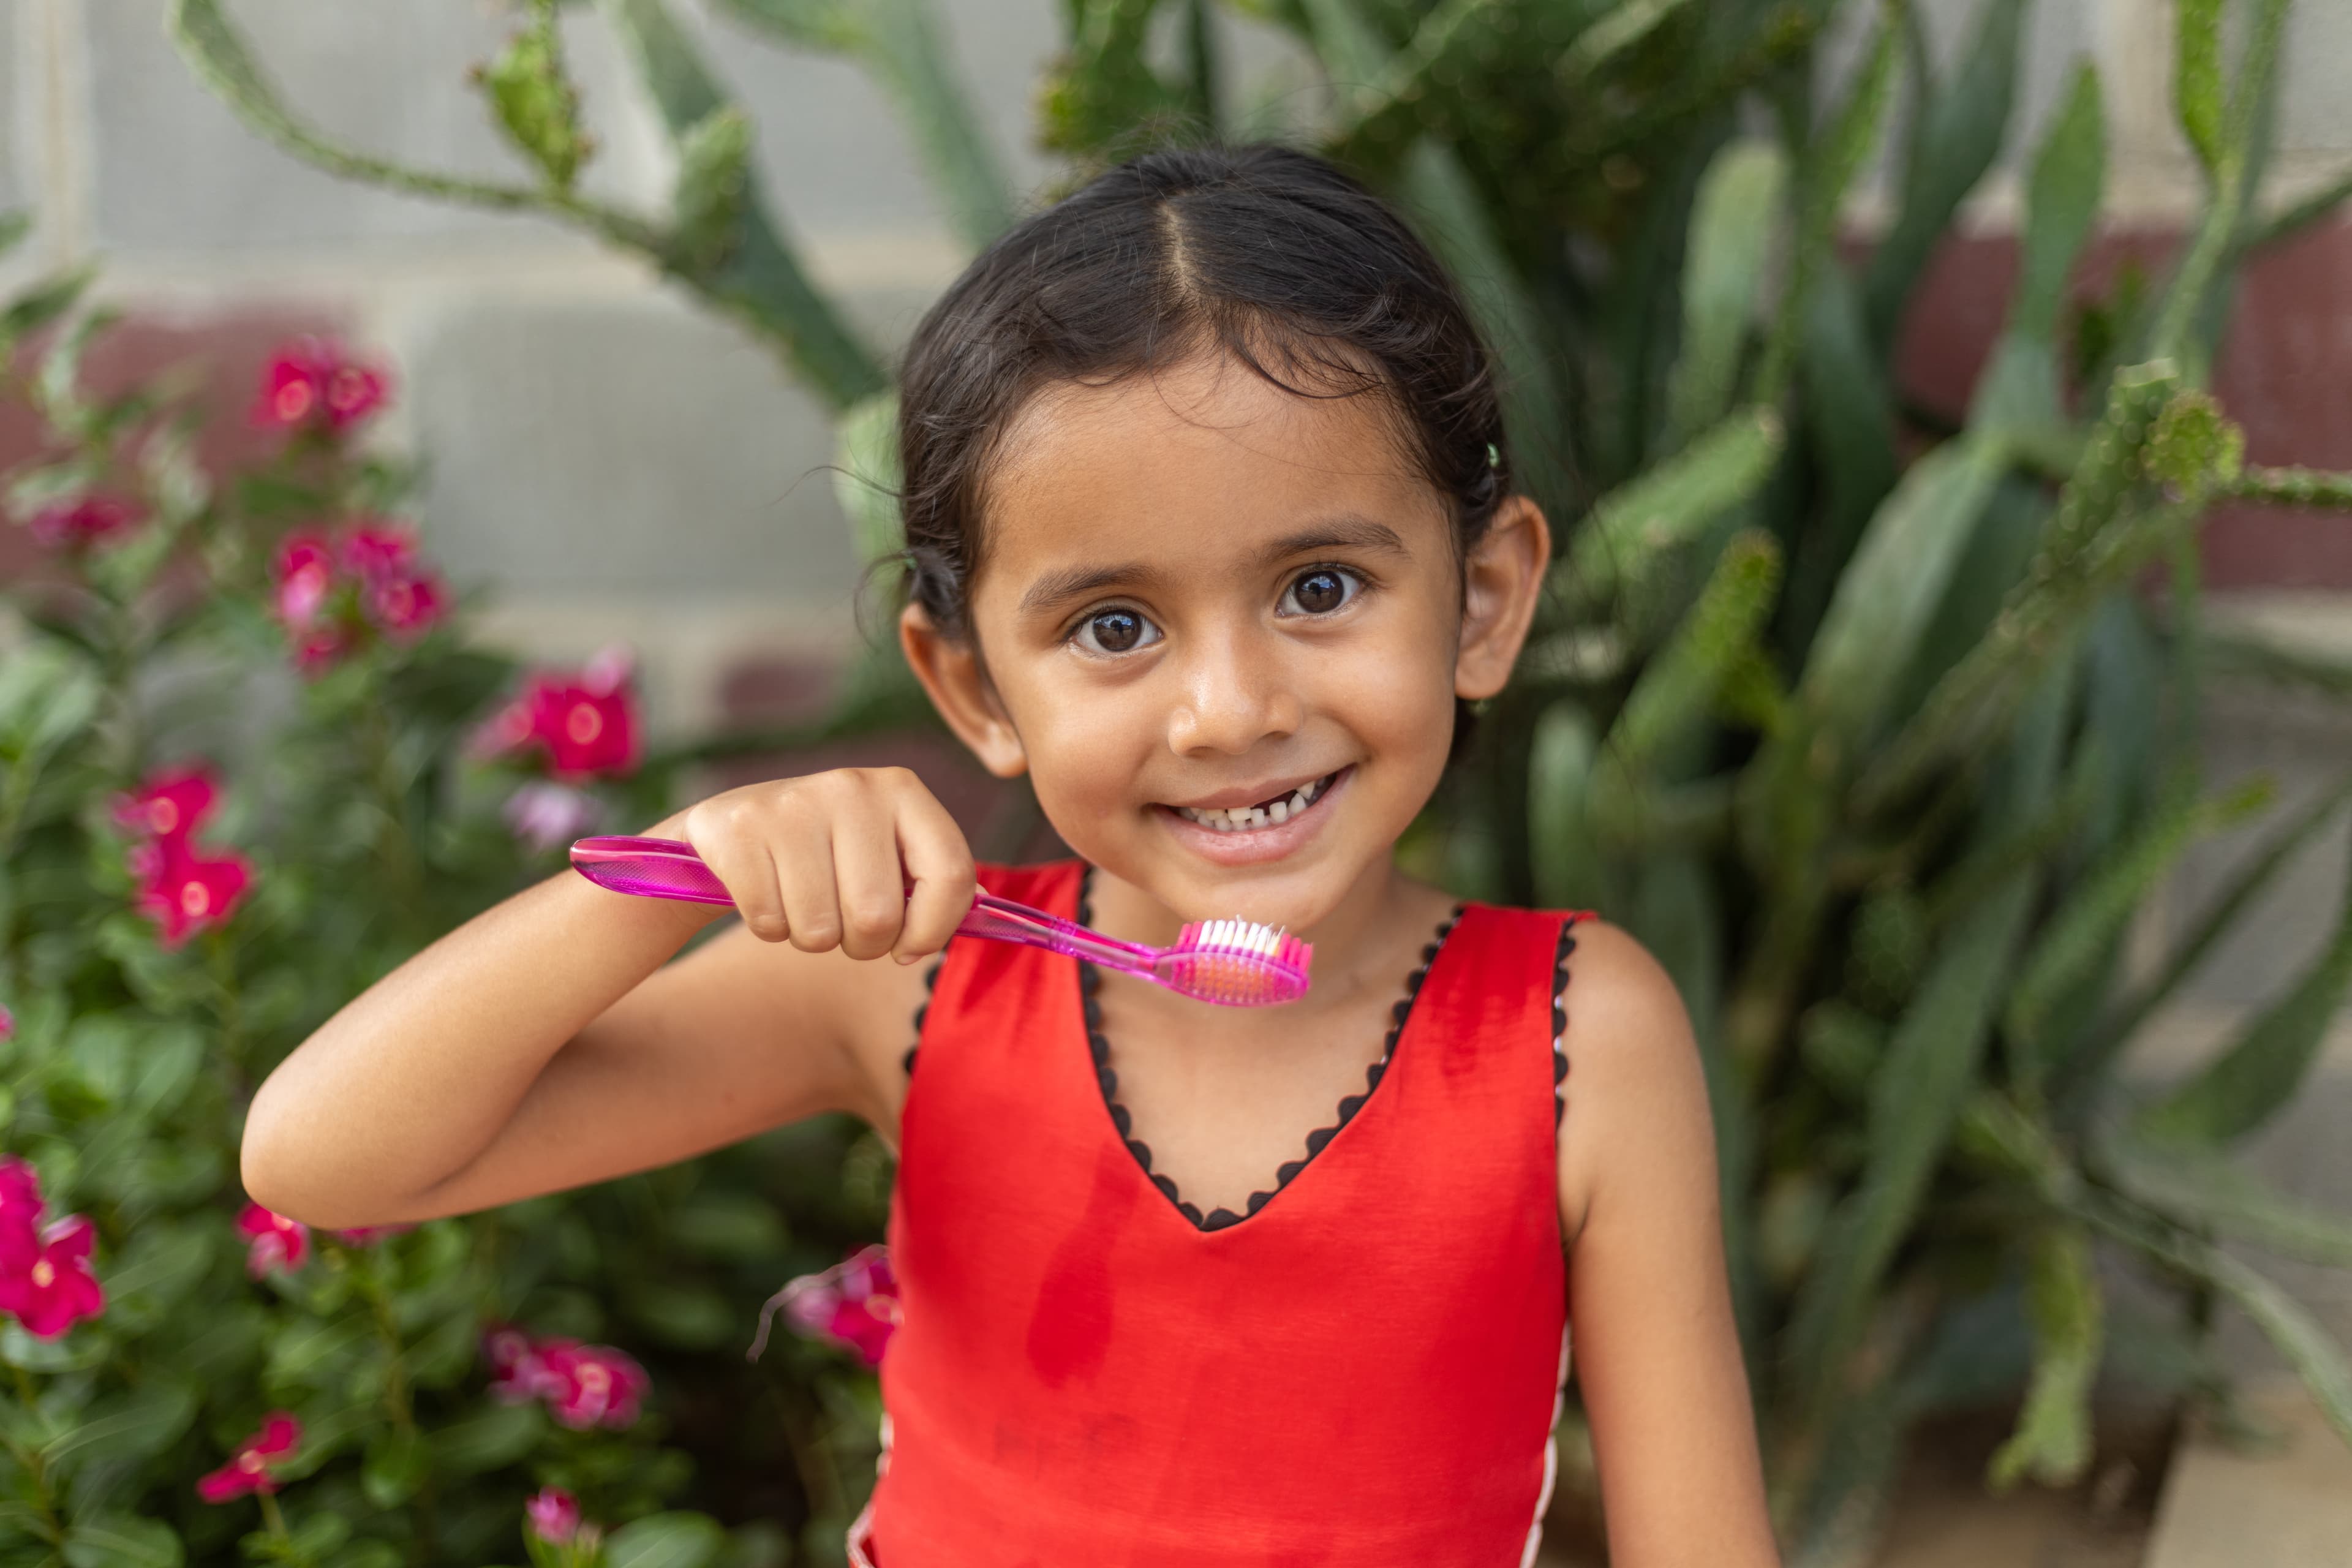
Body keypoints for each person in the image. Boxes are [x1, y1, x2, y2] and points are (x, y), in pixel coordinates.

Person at [241, 143, 1777, 1568]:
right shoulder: (913, 986)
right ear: (973, 685)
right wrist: (676, 872)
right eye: (1115, 627)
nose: (1232, 707)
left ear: (1489, 599)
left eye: (1320, 585)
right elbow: (321, 1155)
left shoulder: (1583, 1039)